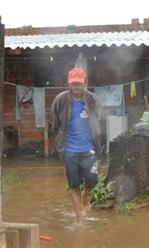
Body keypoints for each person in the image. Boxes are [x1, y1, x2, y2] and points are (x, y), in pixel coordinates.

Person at [50, 67, 102, 225]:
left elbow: (99, 119)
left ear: (85, 83)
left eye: (79, 84)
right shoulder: (60, 100)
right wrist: (61, 145)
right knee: (73, 185)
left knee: (93, 180)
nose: (76, 87)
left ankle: (86, 195)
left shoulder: (93, 99)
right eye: (73, 84)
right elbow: (54, 124)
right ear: (69, 84)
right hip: (69, 151)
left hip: (89, 149)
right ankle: (80, 220)